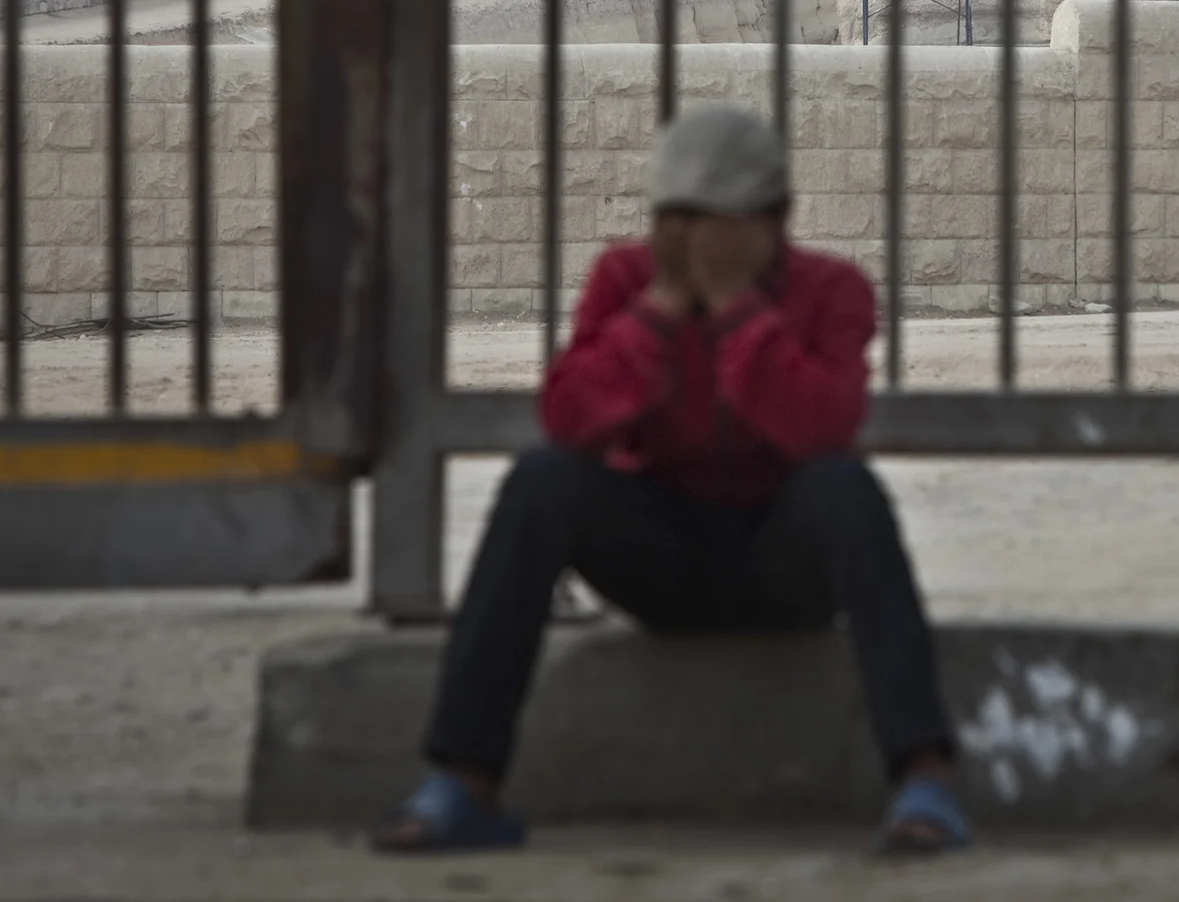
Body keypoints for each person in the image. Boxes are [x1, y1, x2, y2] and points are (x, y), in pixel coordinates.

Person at [372, 104, 970, 856]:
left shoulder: (831, 290)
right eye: (677, 220)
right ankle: (463, 782)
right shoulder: (624, 279)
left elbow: (824, 426)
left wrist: (737, 313)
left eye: (717, 222)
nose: (694, 243)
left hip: (780, 560)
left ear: (775, 219)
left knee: (845, 488)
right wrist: (655, 317)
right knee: (542, 480)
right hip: (661, 552)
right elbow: (569, 418)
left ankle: (925, 776)